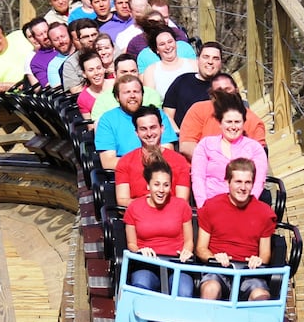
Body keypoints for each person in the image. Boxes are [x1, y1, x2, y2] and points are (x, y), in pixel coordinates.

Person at [196, 158, 277, 301]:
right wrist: (214, 257)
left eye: (248, 182)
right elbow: (201, 248)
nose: (243, 187)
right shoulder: (211, 207)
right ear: (228, 182)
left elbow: (265, 254)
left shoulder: (264, 213)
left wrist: (258, 260)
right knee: (210, 288)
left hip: (248, 273)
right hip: (218, 271)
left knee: (261, 295)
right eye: (238, 182)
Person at [124, 160, 194, 296]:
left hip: (176, 264)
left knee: (184, 291)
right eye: (156, 184)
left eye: (166, 185)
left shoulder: (181, 206)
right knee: (141, 286)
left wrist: (186, 252)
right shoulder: (134, 207)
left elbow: (189, 240)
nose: (161, 190)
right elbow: (131, 243)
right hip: (147, 264)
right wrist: (140, 251)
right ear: (148, 185)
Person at [190, 90, 268, 206]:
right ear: (220, 123)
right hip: (212, 204)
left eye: (237, 122)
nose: (233, 127)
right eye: (228, 122)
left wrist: (250, 205)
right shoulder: (205, 145)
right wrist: (203, 206)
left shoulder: (255, 148)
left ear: (243, 123)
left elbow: (259, 181)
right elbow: (198, 177)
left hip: (244, 205)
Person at [94, 76, 178, 169]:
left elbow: (168, 151)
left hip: (160, 172)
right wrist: (141, 165)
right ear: (117, 97)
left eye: (136, 91)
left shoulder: (157, 114)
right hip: (125, 175)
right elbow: (108, 162)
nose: (132, 96)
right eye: (127, 92)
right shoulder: (107, 120)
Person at [115, 106, 191, 205]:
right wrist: (149, 205)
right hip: (138, 216)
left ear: (162, 128)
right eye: (143, 129)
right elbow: (122, 201)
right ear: (136, 133)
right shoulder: (125, 161)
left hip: (171, 216)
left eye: (153, 127)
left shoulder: (179, 161)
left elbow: (182, 201)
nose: (149, 133)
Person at [179, 74, 268, 156]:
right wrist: (214, 162)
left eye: (227, 89)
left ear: (236, 90)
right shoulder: (198, 109)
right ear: (212, 95)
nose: (224, 94)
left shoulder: (253, 120)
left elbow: (259, 154)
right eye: (219, 91)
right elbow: (187, 145)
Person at [164, 41, 224, 128]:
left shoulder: (225, 87)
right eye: (206, 57)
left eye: (215, 58)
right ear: (198, 60)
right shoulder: (182, 81)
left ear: (221, 63)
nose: (210, 62)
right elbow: (168, 115)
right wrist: (179, 136)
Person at [140, 26, 198, 100]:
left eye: (170, 42)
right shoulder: (150, 71)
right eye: (162, 44)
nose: (167, 47)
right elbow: (150, 102)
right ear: (157, 49)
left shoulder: (194, 65)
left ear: (176, 43)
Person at [61, 19, 102, 92]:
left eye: (94, 35)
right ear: (79, 40)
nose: (91, 39)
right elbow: (75, 91)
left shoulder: (110, 49)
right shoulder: (70, 63)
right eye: (86, 37)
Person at [76, 49, 114, 119]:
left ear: (104, 68)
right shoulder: (83, 98)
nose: (96, 73)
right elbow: (91, 126)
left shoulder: (116, 84)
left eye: (99, 68)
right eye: (91, 70)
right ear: (84, 74)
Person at [39, 22, 74, 86]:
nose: (61, 41)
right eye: (56, 40)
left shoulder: (81, 53)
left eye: (63, 36)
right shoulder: (53, 66)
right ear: (51, 43)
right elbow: (59, 92)